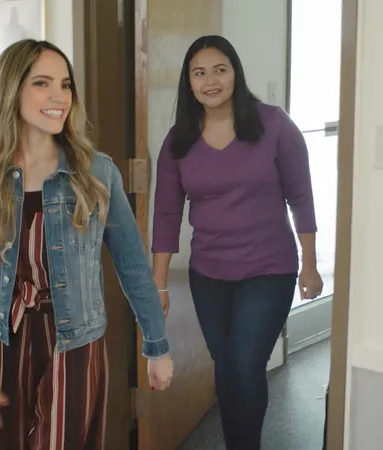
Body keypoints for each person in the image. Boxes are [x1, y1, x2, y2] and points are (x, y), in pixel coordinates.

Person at [0, 39, 174, 450]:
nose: (59, 97)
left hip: (75, 343)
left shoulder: (96, 172)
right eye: (42, 83)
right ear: (11, 91)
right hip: (5, 342)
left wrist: (156, 345)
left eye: (66, 84)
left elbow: (133, 265)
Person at [151, 35, 323, 450]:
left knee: (245, 365)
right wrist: (157, 285)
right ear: (188, 83)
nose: (210, 80)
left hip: (269, 268)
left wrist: (310, 262)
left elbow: (301, 195)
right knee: (228, 368)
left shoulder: (274, 125)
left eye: (219, 70)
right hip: (209, 274)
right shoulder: (178, 141)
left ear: (235, 74)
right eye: (199, 73)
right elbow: (167, 215)